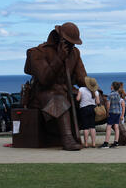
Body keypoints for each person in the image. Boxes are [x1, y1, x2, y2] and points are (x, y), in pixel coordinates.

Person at [23, 22, 87, 151]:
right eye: (68, 42)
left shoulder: (74, 53)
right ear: (60, 38)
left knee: (101, 98)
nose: (71, 45)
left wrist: (94, 89)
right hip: (44, 94)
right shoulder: (38, 52)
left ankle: (121, 134)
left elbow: (82, 78)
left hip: (66, 91)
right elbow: (45, 79)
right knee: (59, 100)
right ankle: (67, 137)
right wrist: (59, 58)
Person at [76, 76, 100, 148]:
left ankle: (86, 143)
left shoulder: (81, 89)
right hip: (93, 109)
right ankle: (93, 143)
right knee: (92, 127)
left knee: (85, 127)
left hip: (84, 109)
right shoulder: (96, 92)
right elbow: (98, 102)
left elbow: (78, 99)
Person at [100, 82, 124, 149]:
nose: (110, 86)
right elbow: (119, 104)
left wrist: (107, 112)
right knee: (116, 127)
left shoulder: (110, 95)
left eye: (111, 85)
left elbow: (108, 104)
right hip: (118, 112)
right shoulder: (118, 95)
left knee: (108, 127)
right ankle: (116, 142)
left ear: (112, 87)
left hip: (112, 112)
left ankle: (106, 142)